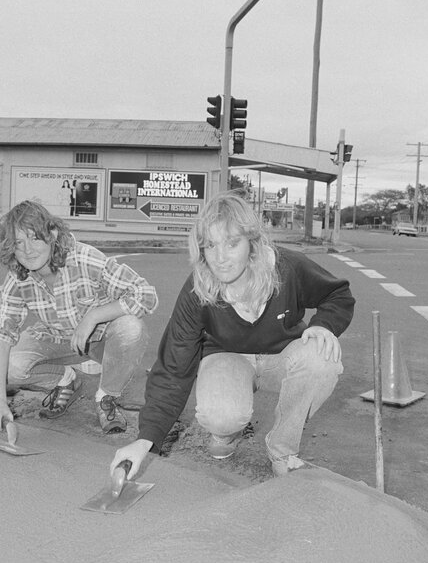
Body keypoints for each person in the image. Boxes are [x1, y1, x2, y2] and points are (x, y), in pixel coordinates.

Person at [111, 190, 354, 477]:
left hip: (282, 359)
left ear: (252, 243)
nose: (220, 258)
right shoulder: (198, 289)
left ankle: (283, 450)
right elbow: (173, 368)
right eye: (210, 246)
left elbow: (337, 294)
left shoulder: (287, 268)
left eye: (232, 243)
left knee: (321, 357)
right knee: (222, 416)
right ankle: (226, 435)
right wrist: (145, 440)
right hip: (227, 357)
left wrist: (323, 325)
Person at [0, 200, 158, 434]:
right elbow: (1, 333)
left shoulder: (84, 259)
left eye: (35, 237)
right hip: (57, 340)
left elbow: (145, 294)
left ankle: (106, 398)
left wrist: (93, 316)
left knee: (131, 328)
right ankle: (66, 380)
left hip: (101, 338)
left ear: (52, 234)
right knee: (9, 367)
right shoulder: (17, 277)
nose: (28, 250)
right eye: (18, 243)